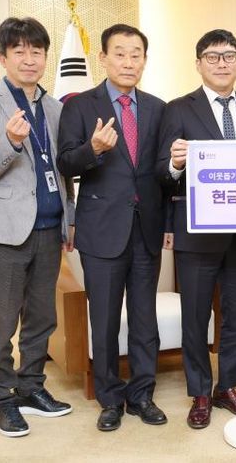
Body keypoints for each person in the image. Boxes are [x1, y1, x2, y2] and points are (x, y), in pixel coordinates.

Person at [0, 17, 75, 437]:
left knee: (42, 318)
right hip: (5, 233)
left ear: (46, 56)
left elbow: (62, 171)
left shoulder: (55, 108)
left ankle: (31, 387)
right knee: (2, 322)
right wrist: (10, 143)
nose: (29, 59)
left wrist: (70, 218)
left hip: (49, 228)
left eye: (37, 51)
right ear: (3, 57)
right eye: (20, 51)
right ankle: (2, 399)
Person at [57, 24, 167, 431]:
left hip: (147, 228)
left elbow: (162, 172)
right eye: (120, 53)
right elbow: (66, 162)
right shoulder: (79, 106)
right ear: (103, 58)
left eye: (136, 54)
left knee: (144, 319)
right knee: (103, 320)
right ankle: (109, 398)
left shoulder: (158, 108)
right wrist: (94, 149)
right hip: (101, 229)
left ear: (144, 60)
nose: (128, 62)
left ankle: (142, 395)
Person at [158, 29, 236, 430]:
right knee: (195, 315)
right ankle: (201, 392)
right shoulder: (177, 109)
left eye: (229, 56)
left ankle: (228, 387)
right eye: (213, 56)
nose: (222, 63)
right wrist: (175, 164)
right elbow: (161, 174)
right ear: (199, 63)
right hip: (196, 233)